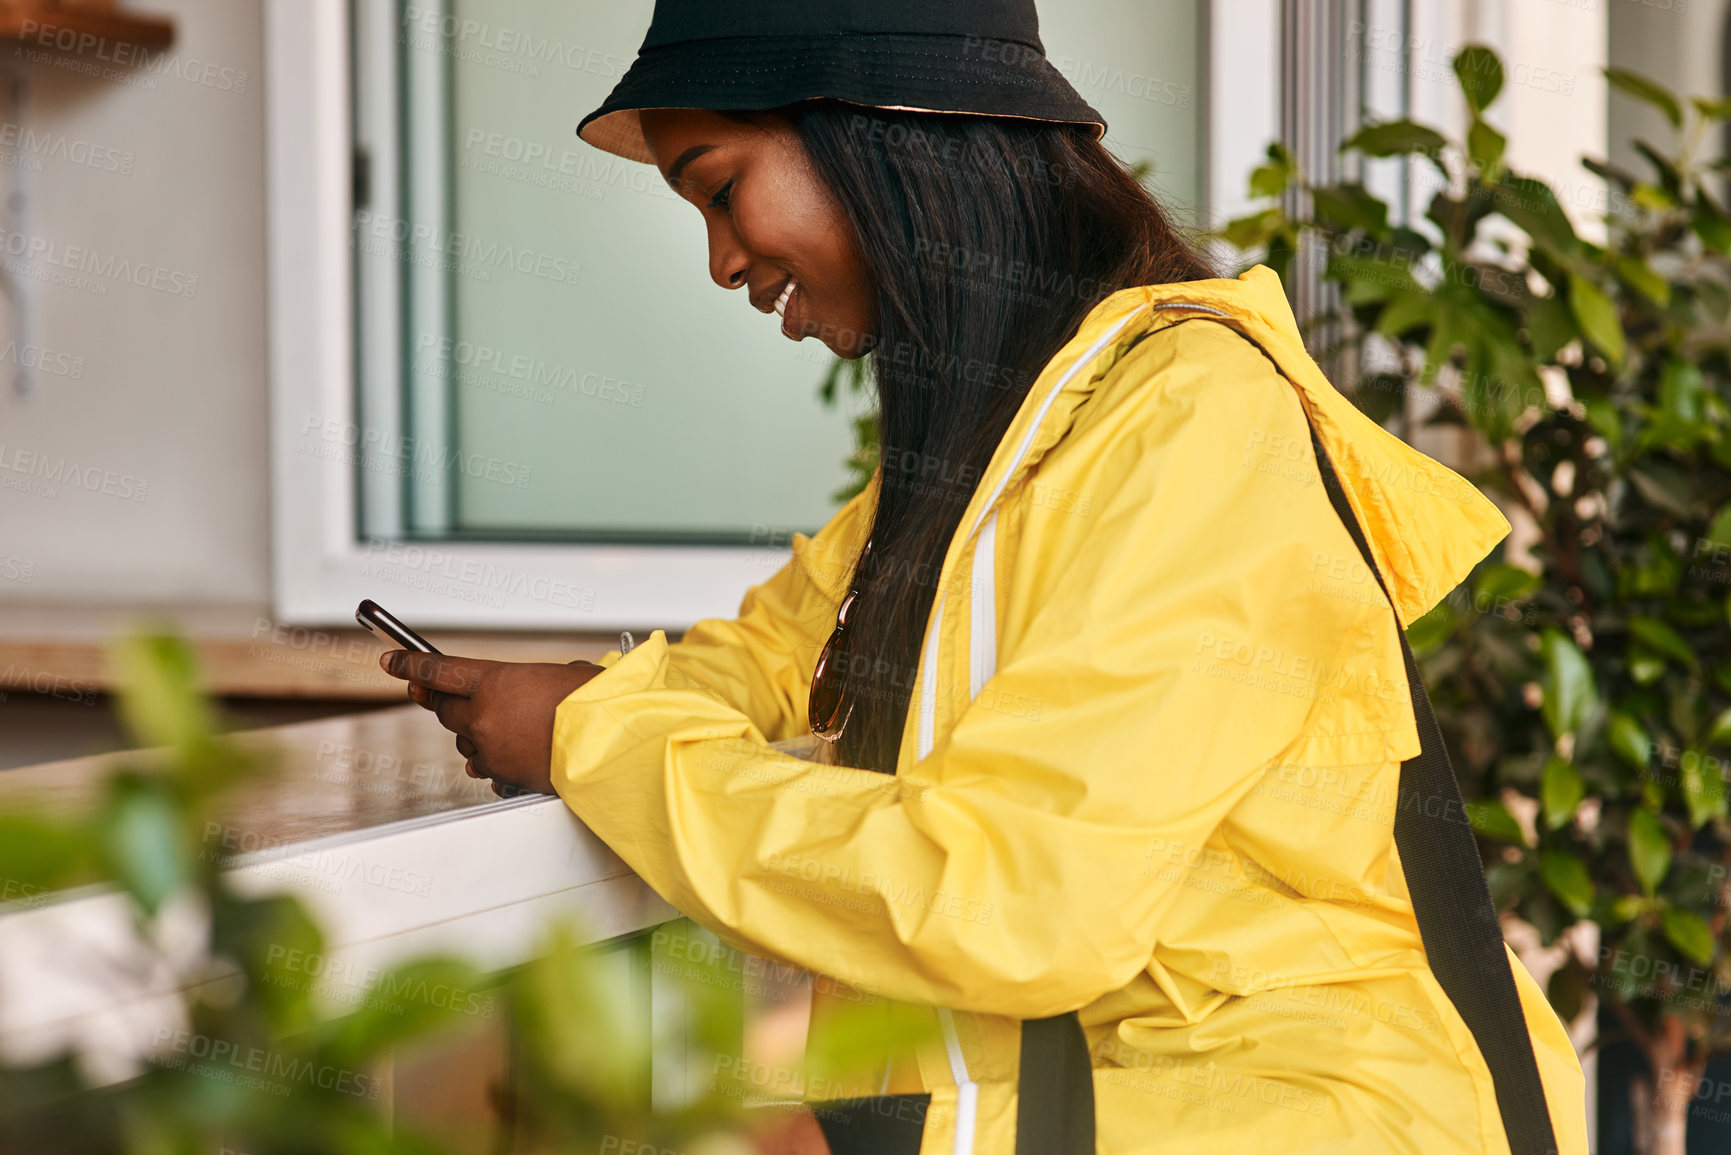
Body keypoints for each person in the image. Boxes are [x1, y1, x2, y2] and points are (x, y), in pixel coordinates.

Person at [380, 2, 1589, 1152]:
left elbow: (1017, 900)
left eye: (721, 187)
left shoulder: (1196, 423)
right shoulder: (1001, 440)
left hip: (1288, 1107)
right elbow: (772, 652)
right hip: (1103, 1092)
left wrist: (597, 741)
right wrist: (579, 702)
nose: (721, 261)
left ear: (886, 130)